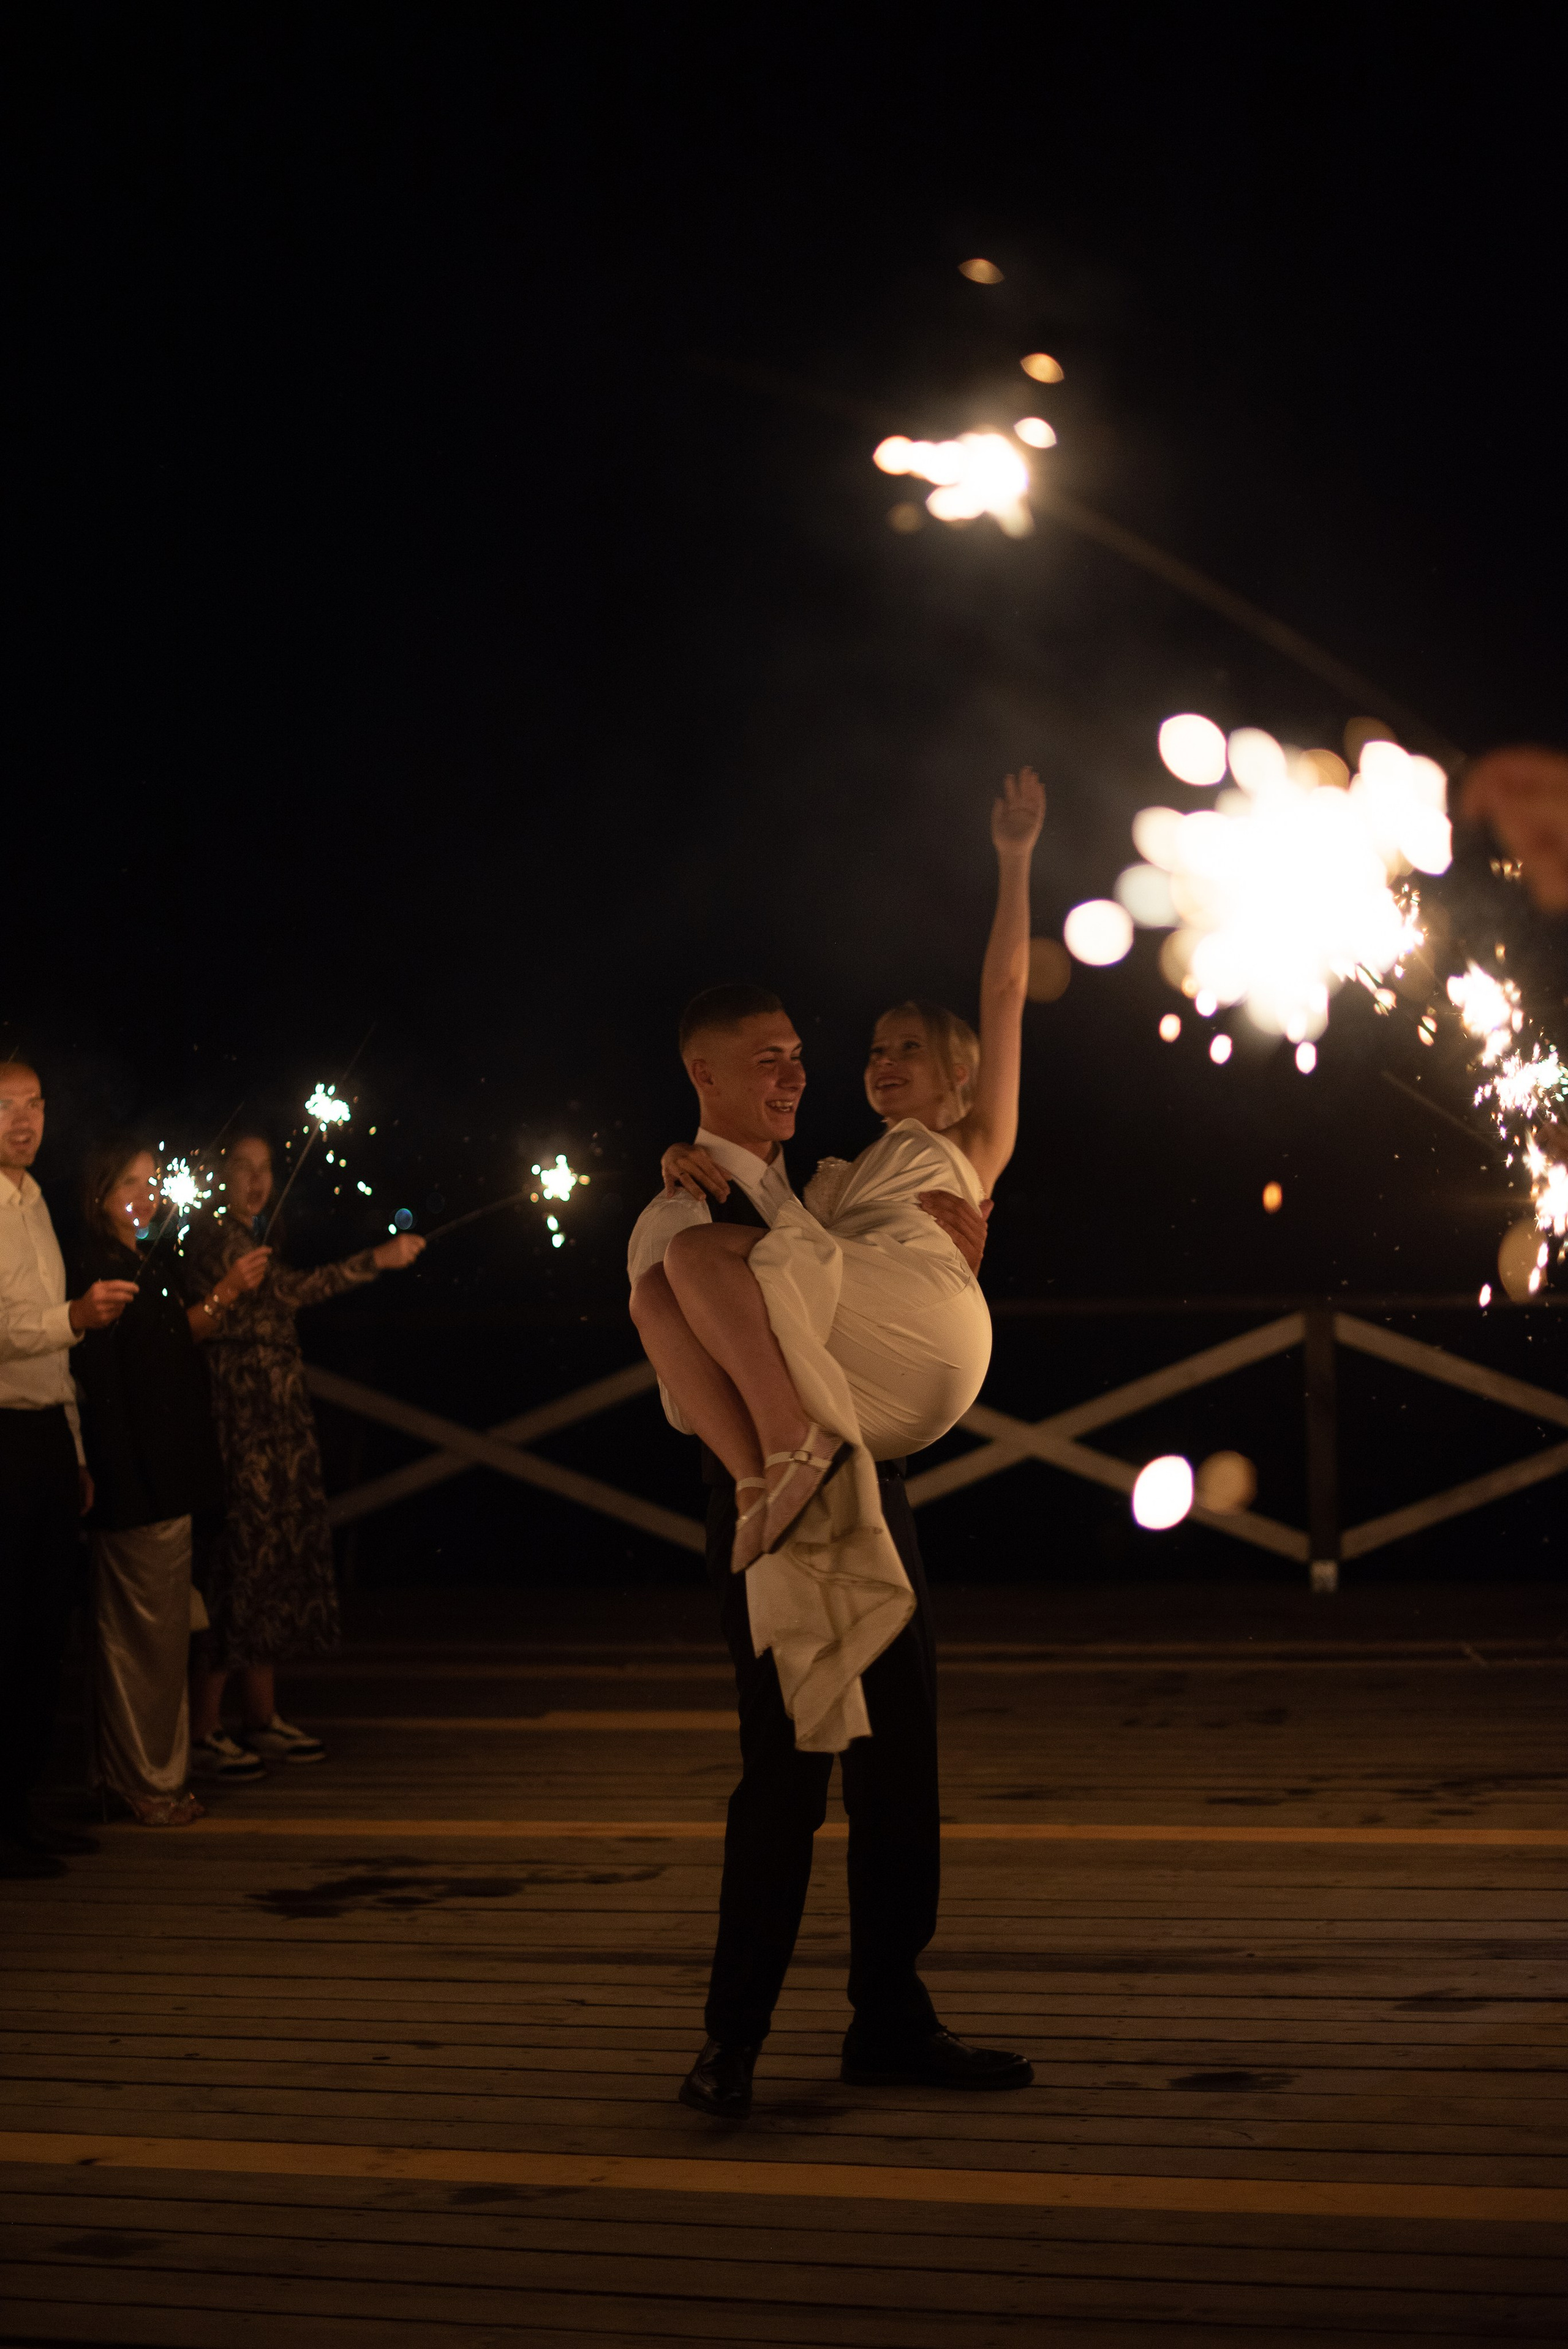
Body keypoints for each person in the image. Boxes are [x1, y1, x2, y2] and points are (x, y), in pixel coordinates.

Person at [627, 767, 1044, 2118]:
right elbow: (705, 1371)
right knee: (785, 1775)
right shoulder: (685, 1218)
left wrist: (1011, 860)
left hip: (875, 1469)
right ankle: (728, 2042)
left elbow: (989, 1023)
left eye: (816, 1056)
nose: (810, 1074)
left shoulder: (830, 1184)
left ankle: (890, 2017)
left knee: (900, 1766)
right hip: (762, 1494)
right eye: (777, 1059)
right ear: (703, 1079)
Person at [183, 1131, 424, 1775]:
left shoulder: (257, 1235)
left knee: (271, 1566)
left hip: (275, 1420)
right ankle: (203, 1728)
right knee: (239, 1566)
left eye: (265, 1169)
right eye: (242, 1168)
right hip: (241, 1422)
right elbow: (289, 1293)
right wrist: (375, 1260)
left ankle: (261, 1716)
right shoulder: (215, 1239)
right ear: (218, 1174)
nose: (257, 1181)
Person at [72, 1137, 235, 1825]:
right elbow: (102, 1390)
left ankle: (135, 1778)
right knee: (143, 1643)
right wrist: (119, 1485)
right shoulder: (100, 1271)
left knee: (162, 1638)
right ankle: (147, 1785)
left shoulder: (145, 1262)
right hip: (138, 1488)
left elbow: (171, 1350)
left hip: (168, 1481)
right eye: (128, 1184)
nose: (145, 1194)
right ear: (100, 1195)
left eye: (151, 1181)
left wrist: (225, 1295)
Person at [0, 1060, 137, 1877]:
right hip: (1, 1437)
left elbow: (55, 1353)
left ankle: (20, 1808)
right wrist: (75, 1315)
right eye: (4, 1106)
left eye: (34, 1104)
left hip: (46, 1434)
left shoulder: (35, 1199)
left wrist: (77, 1448)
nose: (23, 1120)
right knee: (6, 1628)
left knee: (44, 1633)